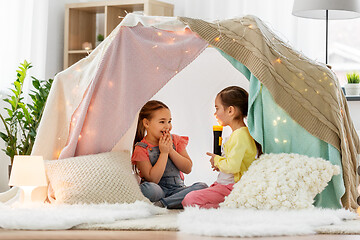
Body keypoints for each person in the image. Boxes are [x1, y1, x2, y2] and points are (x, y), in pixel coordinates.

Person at [182, 86, 262, 208]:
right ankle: (227, 206)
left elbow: (233, 166)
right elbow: (235, 163)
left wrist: (217, 160)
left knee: (190, 200)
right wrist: (220, 163)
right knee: (191, 198)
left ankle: (229, 207)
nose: (215, 113)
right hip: (224, 185)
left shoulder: (240, 135)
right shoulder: (239, 134)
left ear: (230, 110)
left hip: (231, 188)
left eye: (217, 108)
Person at [131, 100, 208, 209]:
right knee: (148, 189)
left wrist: (171, 150)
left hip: (178, 190)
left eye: (169, 121)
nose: (167, 126)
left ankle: (163, 204)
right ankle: (176, 202)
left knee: (203, 187)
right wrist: (164, 153)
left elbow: (188, 168)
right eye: (162, 122)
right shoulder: (141, 148)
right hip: (158, 190)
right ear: (146, 123)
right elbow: (153, 179)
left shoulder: (176, 140)